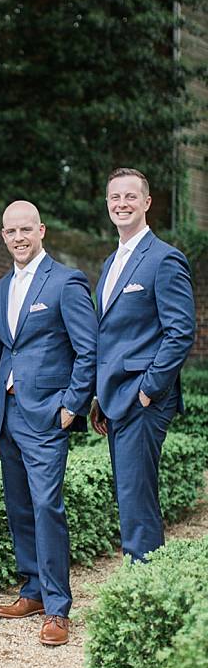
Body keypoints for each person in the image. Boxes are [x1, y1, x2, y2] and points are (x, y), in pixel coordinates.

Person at [0, 201, 97, 646]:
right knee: (19, 507)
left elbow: (89, 349)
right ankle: (31, 589)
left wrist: (72, 405)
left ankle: (57, 607)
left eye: (25, 229)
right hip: (7, 417)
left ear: (41, 230)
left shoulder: (66, 281)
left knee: (47, 506)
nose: (18, 238)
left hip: (48, 415)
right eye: (10, 231)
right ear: (4, 236)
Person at [91, 168, 195, 561]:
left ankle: (144, 585)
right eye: (115, 197)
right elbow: (110, 337)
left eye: (130, 197)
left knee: (136, 497)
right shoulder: (110, 263)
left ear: (147, 203)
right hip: (116, 397)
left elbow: (181, 332)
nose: (122, 204)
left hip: (144, 398)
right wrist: (101, 395)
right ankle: (143, 579)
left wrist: (149, 390)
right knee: (130, 493)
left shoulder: (164, 259)